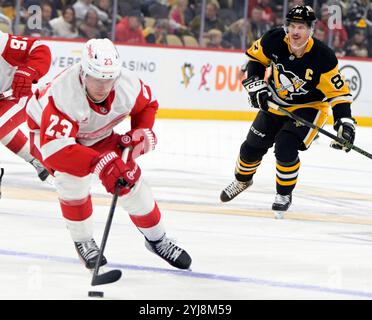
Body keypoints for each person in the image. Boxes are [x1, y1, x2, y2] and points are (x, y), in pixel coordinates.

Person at [26, 38, 192, 270]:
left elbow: (148, 105)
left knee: (129, 180)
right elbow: (54, 151)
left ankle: (157, 240)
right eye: (96, 78)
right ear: (83, 73)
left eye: (108, 79)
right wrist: (99, 163)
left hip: (98, 133)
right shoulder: (63, 94)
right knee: (72, 181)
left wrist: (140, 133)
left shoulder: (127, 84)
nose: (103, 87)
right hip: (51, 139)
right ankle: (84, 241)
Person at [220, 6, 355, 215]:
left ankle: (284, 193)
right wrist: (258, 88)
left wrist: (344, 124)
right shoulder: (274, 39)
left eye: (301, 27)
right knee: (250, 148)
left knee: (285, 147)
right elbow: (255, 61)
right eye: (292, 26)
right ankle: (242, 181)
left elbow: (339, 94)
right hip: (275, 102)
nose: (295, 31)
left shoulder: (323, 57)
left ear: (311, 30)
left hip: (308, 109)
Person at [0, 30, 51, 181]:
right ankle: (37, 159)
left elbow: (40, 48)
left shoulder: (2, 43)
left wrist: (29, 71)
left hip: (15, 96)